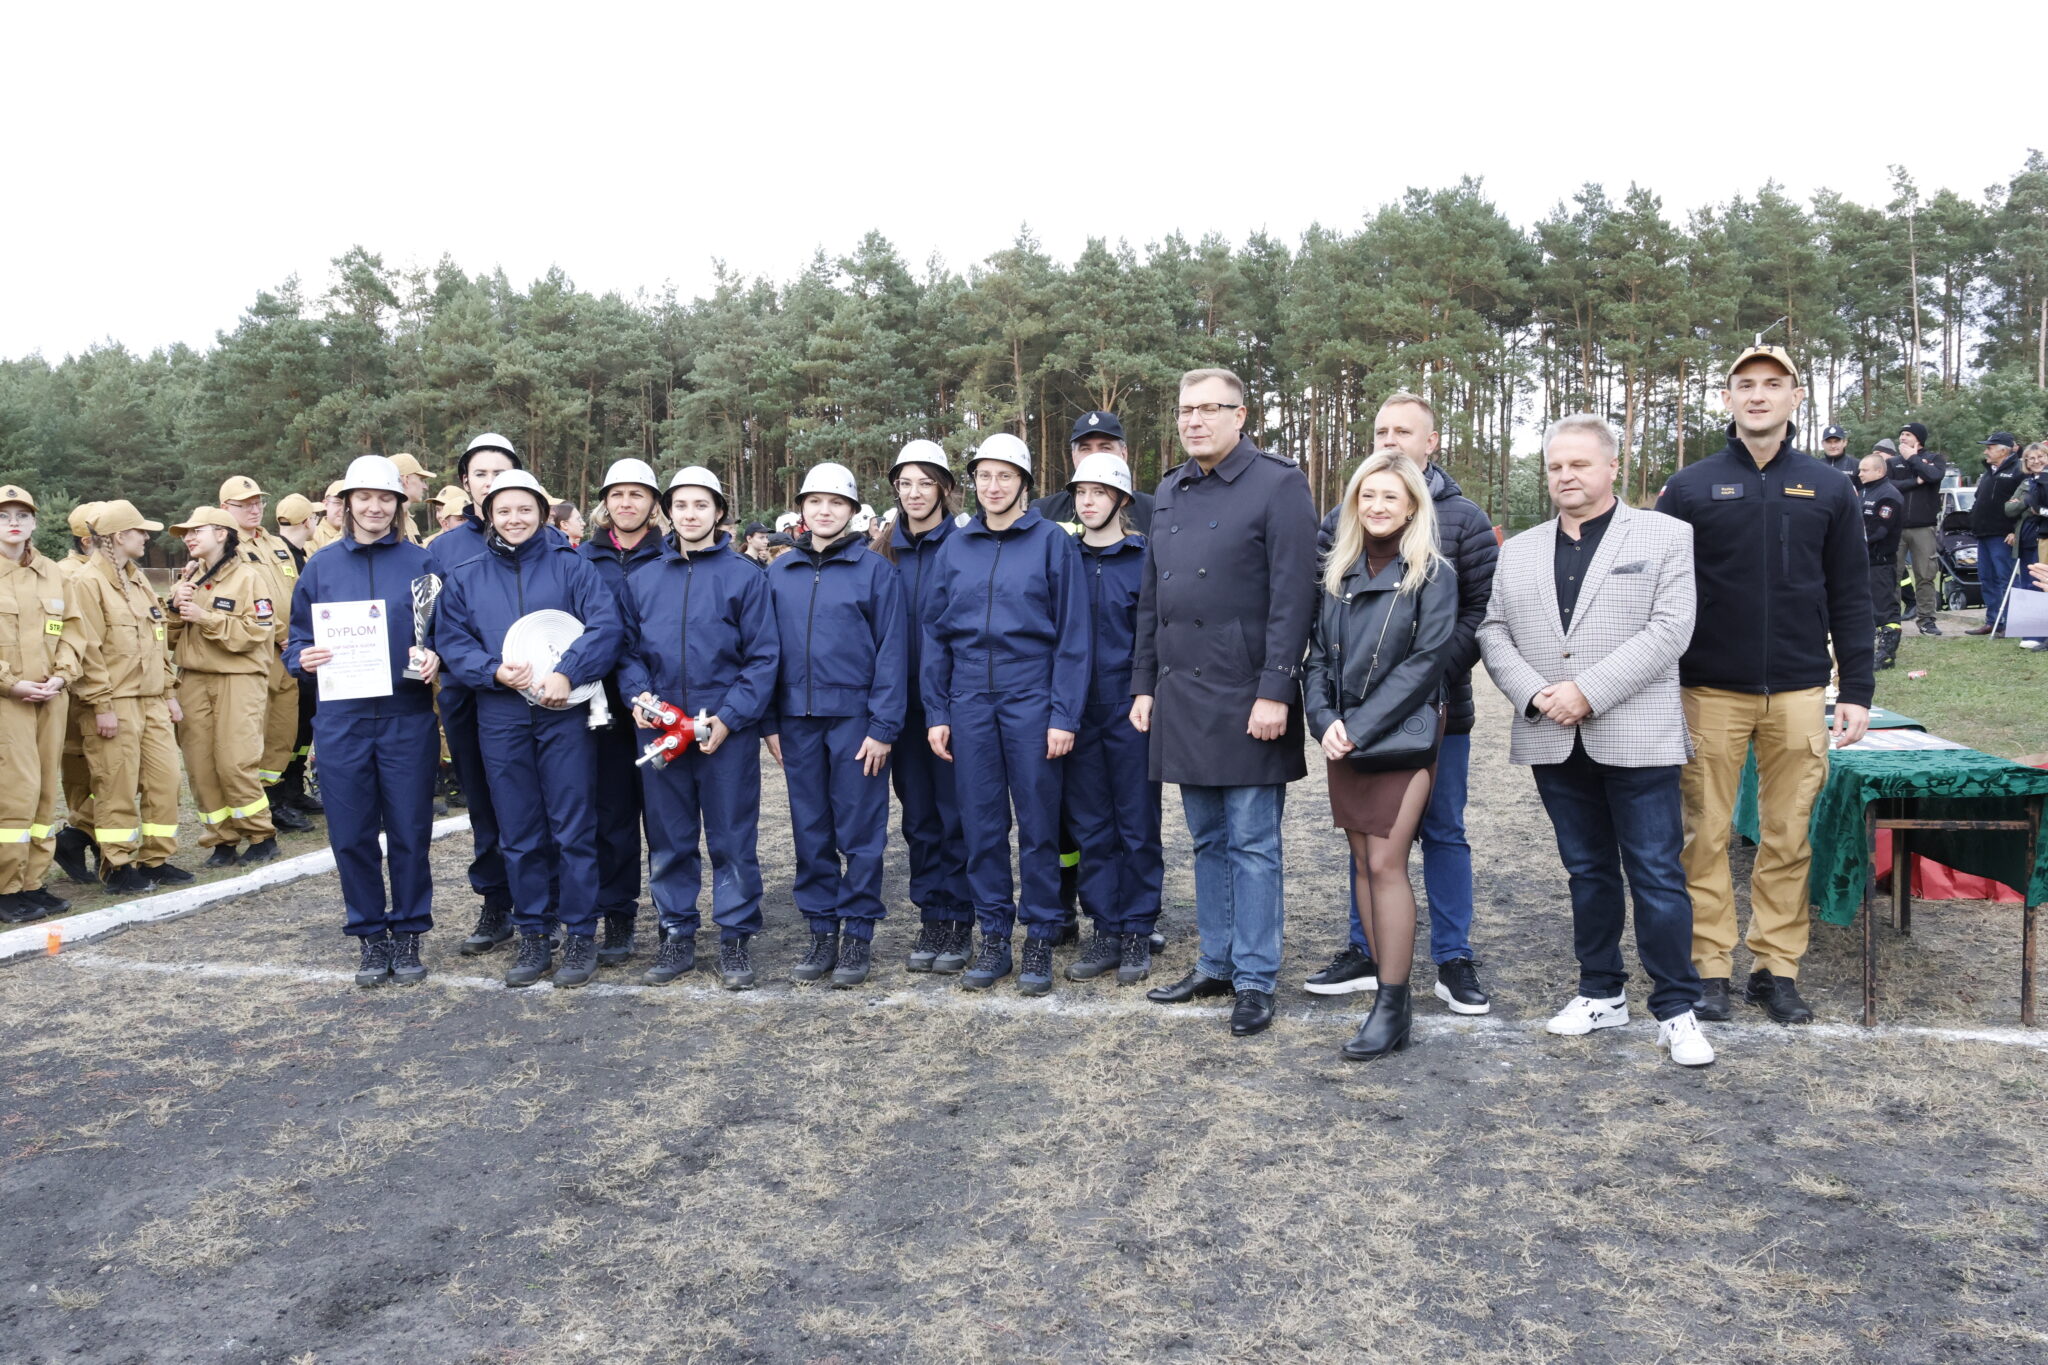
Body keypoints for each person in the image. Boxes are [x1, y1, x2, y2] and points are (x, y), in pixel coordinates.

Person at [1478, 415, 1713, 1068]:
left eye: (1579, 464)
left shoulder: (1665, 535)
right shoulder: (1519, 549)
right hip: (1553, 736)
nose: (1566, 476)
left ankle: (1676, 1009)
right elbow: (1493, 630)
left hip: (1637, 734)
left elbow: (1670, 629)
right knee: (1587, 871)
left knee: (1657, 874)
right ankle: (1601, 991)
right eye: (1556, 466)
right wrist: (1535, 693)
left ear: (1613, 467)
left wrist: (1588, 690)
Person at [1655, 345, 1873, 1025]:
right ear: (1727, 398)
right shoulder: (1688, 488)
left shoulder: (1830, 488)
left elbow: (1853, 593)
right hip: (1708, 691)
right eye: (1745, 384)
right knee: (1706, 835)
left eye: (1772, 384)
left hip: (1801, 691)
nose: (1758, 395)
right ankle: (1710, 967)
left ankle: (1775, 969)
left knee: (1788, 835)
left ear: (1795, 397)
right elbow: (1661, 594)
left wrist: (1857, 689)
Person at [1135, 368, 1318, 1038]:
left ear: (1241, 415)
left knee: (1252, 843)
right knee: (1207, 839)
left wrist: (1277, 689)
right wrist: (1144, 683)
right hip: (1183, 692)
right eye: (1185, 409)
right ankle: (1215, 961)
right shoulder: (1169, 489)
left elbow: (1295, 596)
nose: (1194, 420)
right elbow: (1152, 598)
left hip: (1248, 694)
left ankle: (1256, 977)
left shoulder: (1279, 483)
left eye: (1209, 408)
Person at [1304, 393, 1497, 1017]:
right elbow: (1323, 631)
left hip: (1434, 713)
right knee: (1367, 848)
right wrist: (1335, 717)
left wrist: (1423, 681)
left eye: (1403, 431)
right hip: (1352, 720)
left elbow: (1479, 614)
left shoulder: (1461, 521)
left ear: (1431, 441)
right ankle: (1368, 952)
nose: (1390, 440)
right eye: (1381, 430)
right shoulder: (1340, 524)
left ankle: (1453, 957)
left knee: (1442, 832)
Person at [436, 468, 622, 989]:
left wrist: (569, 672)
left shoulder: (572, 566)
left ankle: (580, 933)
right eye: (503, 510)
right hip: (500, 714)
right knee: (518, 830)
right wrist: (491, 670)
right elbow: (452, 639)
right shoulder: (467, 576)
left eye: (524, 509)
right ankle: (534, 934)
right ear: (488, 515)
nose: (514, 519)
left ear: (542, 512)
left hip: (564, 714)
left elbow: (606, 628)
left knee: (573, 827)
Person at [923, 432, 1089, 996]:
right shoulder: (956, 547)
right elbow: (936, 634)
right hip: (969, 696)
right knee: (981, 824)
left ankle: (1040, 934)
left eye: (1005, 476)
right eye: (984, 476)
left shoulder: (1052, 543)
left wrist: (1063, 714)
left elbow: (1073, 636)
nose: (993, 487)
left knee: (1040, 824)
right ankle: (994, 934)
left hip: (1031, 693)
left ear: (1024, 483)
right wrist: (938, 709)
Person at [1305, 451, 1457, 1059]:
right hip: (1344, 737)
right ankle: (1389, 1003)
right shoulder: (1338, 572)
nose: (1377, 506)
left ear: (1413, 505)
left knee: (1387, 863)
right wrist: (1324, 722)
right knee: (1364, 864)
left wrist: (1358, 727)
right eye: (1367, 495)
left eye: (1390, 496)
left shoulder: (1432, 574)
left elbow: (1426, 663)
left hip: (1402, 738)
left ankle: (1392, 1006)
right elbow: (1317, 657)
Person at [619, 465, 779, 990]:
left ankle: (734, 937)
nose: (690, 515)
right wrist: (640, 698)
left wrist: (730, 719)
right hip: (660, 730)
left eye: (701, 505)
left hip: (722, 733)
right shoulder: (641, 579)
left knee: (732, 837)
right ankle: (676, 933)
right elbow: (627, 652)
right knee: (668, 837)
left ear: (719, 512)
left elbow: (763, 658)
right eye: (681, 505)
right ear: (668, 511)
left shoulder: (745, 577)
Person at [284, 456, 441, 987]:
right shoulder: (321, 566)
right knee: (351, 835)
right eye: (365, 498)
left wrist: (436, 657)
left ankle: (409, 931)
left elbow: (443, 631)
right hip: (342, 720)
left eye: (385, 498)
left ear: (399, 504)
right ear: (347, 503)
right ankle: (371, 936)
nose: (375, 507)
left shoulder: (422, 563)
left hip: (406, 717)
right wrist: (301, 659)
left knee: (410, 832)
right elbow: (296, 640)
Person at [763, 462, 908, 988]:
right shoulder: (778, 573)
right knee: (811, 830)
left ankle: (858, 935)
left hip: (856, 724)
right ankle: (822, 930)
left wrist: (883, 727)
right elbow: (764, 651)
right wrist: (769, 723)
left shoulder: (876, 572)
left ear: (851, 510)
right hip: (795, 722)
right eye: (815, 501)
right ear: (802, 508)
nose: (825, 511)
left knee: (860, 832)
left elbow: (893, 653)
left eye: (836, 503)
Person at [1058, 451, 1161, 986]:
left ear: (1121, 499)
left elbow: (1155, 634)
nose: (1088, 501)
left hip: (1130, 709)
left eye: (1099, 492)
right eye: (1081, 493)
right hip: (1075, 712)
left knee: (1137, 823)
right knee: (1090, 824)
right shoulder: (1062, 558)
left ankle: (1139, 928)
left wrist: (1146, 691)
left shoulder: (1145, 558)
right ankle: (1105, 928)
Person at [875, 440, 974, 973]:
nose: (914, 493)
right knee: (918, 818)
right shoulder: (880, 551)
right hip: (902, 710)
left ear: (945, 488)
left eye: (925, 483)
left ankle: (961, 917)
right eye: (905, 483)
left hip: (956, 706)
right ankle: (932, 914)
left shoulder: (965, 544)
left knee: (957, 815)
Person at [428, 433, 525, 954]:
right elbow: (430, 626)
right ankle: (496, 901)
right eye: (480, 474)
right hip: (468, 694)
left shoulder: (545, 537)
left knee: (539, 801)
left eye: (500, 472)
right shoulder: (442, 550)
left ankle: (547, 901)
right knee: (485, 803)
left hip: (533, 695)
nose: (490, 483)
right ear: (465, 482)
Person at [69, 500, 190, 894]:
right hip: (115, 703)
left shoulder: (137, 580)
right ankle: (117, 864)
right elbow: (87, 651)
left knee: (165, 781)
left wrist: (169, 692)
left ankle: (155, 859)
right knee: (116, 785)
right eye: (140, 531)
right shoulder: (87, 583)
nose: (146, 538)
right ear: (119, 536)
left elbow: (156, 640)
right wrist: (101, 705)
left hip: (152, 700)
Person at [576, 459, 666, 968]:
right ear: (604, 503)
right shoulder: (580, 559)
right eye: (617, 494)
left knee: (666, 818)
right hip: (599, 706)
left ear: (653, 503)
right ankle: (618, 914)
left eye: (637, 494)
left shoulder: (671, 555)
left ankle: (673, 917)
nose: (626, 503)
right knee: (611, 816)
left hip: (659, 706)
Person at [166, 506, 278, 867]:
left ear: (221, 534)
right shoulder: (187, 579)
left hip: (238, 679)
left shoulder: (249, 578)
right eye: (186, 533)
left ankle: (261, 836)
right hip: (193, 679)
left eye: (196, 530)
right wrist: (173, 608)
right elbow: (167, 638)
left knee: (235, 761)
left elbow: (259, 631)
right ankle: (221, 839)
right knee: (200, 765)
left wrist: (206, 618)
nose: (188, 537)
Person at [0, 486, 84, 925]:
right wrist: (10, 684)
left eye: (22, 515)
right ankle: (5, 888)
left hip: (51, 698)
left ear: (34, 522)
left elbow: (72, 629)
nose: (13, 522)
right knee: (13, 794)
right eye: (3, 516)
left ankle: (32, 882)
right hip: (7, 702)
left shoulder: (52, 573)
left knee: (44, 792)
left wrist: (62, 674)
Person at [218, 475, 314, 835]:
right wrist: (281, 634)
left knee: (283, 729)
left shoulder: (275, 544)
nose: (254, 509)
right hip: (257, 652)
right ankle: (258, 804)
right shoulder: (227, 546)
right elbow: (245, 601)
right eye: (244, 504)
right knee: (256, 730)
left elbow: (295, 592)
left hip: (288, 652)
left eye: (257, 502)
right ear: (225, 508)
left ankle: (277, 799)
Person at [51, 501, 106, 886]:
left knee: (111, 775)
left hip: (110, 691)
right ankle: (83, 839)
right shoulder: (66, 575)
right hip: (77, 696)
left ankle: (79, 836)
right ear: (88, 541)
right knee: (82, 776)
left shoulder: (113, 573)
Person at [1031, 411, 1157, 533]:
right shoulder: (1043, 512)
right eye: (1085, 449)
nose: (1095, 456)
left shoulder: (1153, 511)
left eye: (1105, 448)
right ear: (1074, 457)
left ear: (1123, 454)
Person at [1887, 422, 1947, 635]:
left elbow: (1934, 476)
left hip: (1924, 527)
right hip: (1896, 528)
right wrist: (1915, 482)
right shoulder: (1893, 462)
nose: (1902, 438)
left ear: (1919, 439)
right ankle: (1890, 621)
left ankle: (1926, 620)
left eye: (1907, 434)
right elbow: (1888, 485)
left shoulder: (1934, 459)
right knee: (1891, 575)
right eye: (1901, 434)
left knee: (1926, 574)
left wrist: (1913, 458)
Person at [1964, 432, 2026, 637]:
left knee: (2006, 578)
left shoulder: (2019, 470)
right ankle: (1994, 621)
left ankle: (2014, 622)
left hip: (2003, 534)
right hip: (1983, 533)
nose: (1985, 451)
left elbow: (2023, 504)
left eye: (1989, 447)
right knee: (1987, 578)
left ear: (2004, 450)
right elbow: (1980, 498)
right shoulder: (1988, 472)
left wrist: (2015, 530)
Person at [1859, 451, 1906, 669]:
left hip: (1880, 561)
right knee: (1864, 608)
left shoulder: (1889, 495)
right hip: (1862, 560)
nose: (1860, 474)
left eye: (1864, 470)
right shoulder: (1863, 491)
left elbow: (1879, 531)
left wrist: (1852, 540)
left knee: (1884, 608)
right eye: (1859, 470)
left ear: (1879, 471)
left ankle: (1887, 654)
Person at [2004, 443, 2047, 650]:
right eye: (2031, 458)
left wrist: (2032, 505)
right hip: (2025, 539)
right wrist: (2026, 502)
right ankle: (2030, 633)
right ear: (2026, 462)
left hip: (2042, 537)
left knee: (2040, 584)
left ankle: (2040, 635)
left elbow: (2038, 507)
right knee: (2027, 585)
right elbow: (2009, 509)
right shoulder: (2027, 482)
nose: (2036, 461)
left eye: (2040, 456)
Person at [389, 454, 436, 541]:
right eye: (421, 479)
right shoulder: (384, 523)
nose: (425, 487)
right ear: (406, 480)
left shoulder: (410, 522)